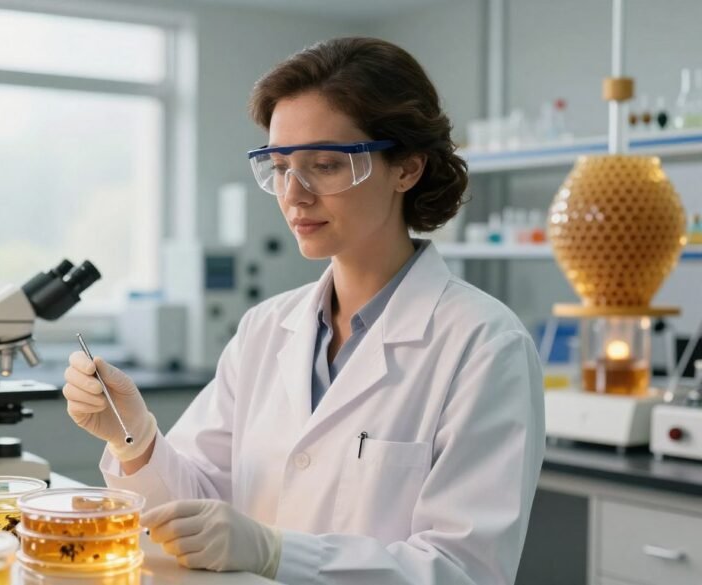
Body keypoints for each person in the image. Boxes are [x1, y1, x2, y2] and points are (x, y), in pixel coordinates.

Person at [63, 37, 545, 585]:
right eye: (279, 166)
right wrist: (133, 437)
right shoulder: (266, 329)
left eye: (324, 165)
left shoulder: (483, 345)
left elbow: (465, 571)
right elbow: (191, 516)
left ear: (407, 168)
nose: (294, 194)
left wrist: (275, 553)